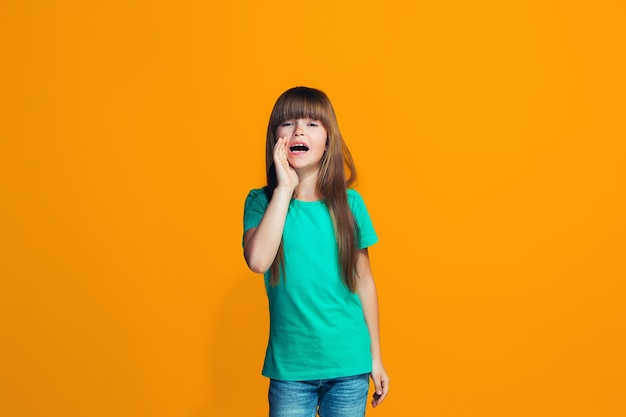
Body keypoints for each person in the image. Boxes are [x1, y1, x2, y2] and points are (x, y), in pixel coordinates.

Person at [242, 86, 389, 417]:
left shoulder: (350, 204)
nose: (298, 130)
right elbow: (258, 260)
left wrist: (375, 357)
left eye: (311, 124)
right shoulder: (261, 202)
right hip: (291, 370)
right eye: (288, 123)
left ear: (328, 139)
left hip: (348, 365)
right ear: (275, 137)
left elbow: (364, 283)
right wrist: (284, 189)